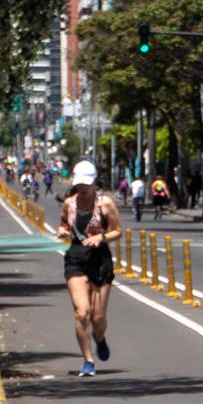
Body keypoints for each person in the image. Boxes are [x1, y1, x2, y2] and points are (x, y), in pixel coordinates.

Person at [55, 161, 122, 377]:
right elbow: (64, 224)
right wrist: (62, 231)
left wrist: (100, 238)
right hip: (76, 258)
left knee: (97, 318)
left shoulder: (105, 204)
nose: (82, 188)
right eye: (79, 184)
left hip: (100, 259)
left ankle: (99, 338)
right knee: (82, 313)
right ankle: (88, 360)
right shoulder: (69, 203)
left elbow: (117, 231)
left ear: (94, 183)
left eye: (86, 183)